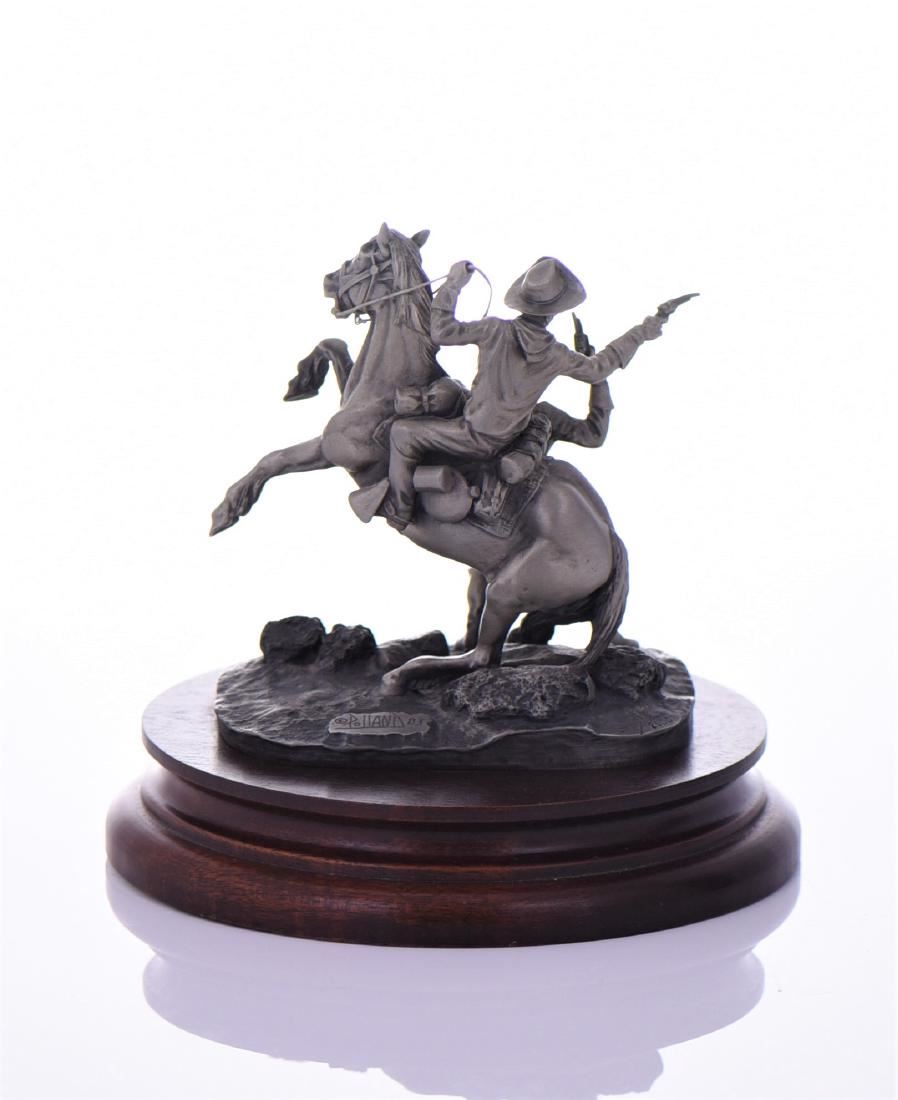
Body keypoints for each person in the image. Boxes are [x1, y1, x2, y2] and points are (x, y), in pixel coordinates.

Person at [385, 256, 665, 528]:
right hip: (508, 437)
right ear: (554, 312)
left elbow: (442, 331)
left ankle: (400, 510)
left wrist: (454, 284)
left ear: (522, 299)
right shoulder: (556, 355)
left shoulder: (494, 329)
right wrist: (642, 332)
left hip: (473, 434)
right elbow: (598, 369)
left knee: (401, 432)